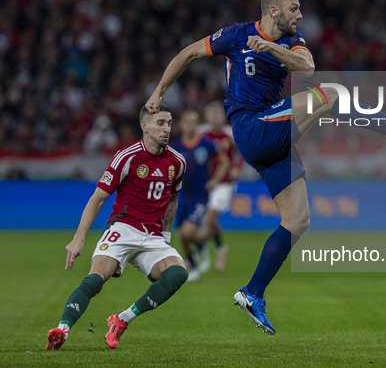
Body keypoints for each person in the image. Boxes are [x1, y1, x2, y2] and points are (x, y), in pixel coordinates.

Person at [145, 0, 386, 335]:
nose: (299, 15)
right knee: (330, 94)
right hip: (252, 126)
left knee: (298, 219)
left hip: (275, 135)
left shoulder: (291, 40)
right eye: (294, 9)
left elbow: (308, 67)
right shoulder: (236, 35)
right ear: (273, 11)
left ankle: (253, 293)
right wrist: (159, 91)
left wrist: (270, 47)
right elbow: (189, 54)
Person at [45, 105, 189, 350]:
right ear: (144, 126)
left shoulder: (177, 161)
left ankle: (122, 319)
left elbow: (172, 199)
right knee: (97, 277)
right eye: (161, 123)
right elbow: (98, 198)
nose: (167, 129)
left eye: (169, 123)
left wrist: (165, 236)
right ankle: (63, 329)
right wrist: (79, 238)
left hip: (152, 236)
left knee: (179, 273)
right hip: (123, 229)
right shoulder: (128, 156)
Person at [169, 109, 229, 281]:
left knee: (188, 232)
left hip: (200, 196)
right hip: (181, 196)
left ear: (198, 125)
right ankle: (193, 266)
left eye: (193, 122)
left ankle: (202, 247)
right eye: (187, 122)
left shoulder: (207, 144)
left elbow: (224, 161)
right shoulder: (174, 147)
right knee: (182, 236)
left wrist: (215, 180)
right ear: (181, 125)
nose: (190, 125)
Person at [196, 101, 244, 272]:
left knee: (209, 218)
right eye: (212, 114)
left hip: (224, 184)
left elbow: (245, 151)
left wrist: (237, 168)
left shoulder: (230, 133)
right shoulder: (200, 133)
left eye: (219, 114)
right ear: (207, 117)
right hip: (204, 183)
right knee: (210, 220)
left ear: (223, 117)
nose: (216, 117)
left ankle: (200, 247)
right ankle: (221, 249)